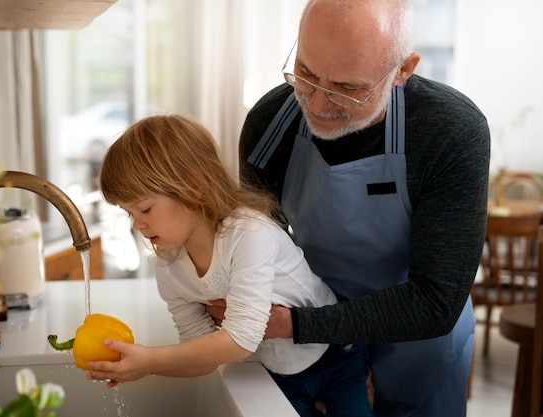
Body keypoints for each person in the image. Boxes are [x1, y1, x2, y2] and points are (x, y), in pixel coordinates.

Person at [207, 1, 490, 416]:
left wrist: (303, 329)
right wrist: (330, 364)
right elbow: (257, 254)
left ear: (402, 71)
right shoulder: (271, 124)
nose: (318, 106)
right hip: (315, 344)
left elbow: (435, 300)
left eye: (348, 87)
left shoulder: (451, 132)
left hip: (417, 345)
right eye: (305, 73)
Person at [89, 114, 374, 417]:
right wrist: (140, 368)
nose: (137, 224)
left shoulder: (249, 233)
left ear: (194, 187)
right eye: (128, 213)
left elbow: (241, 339)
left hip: (335, 355)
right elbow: (202, 356)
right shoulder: (169, 267)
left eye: (144, 208)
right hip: (275, 371)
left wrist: (151, 360)